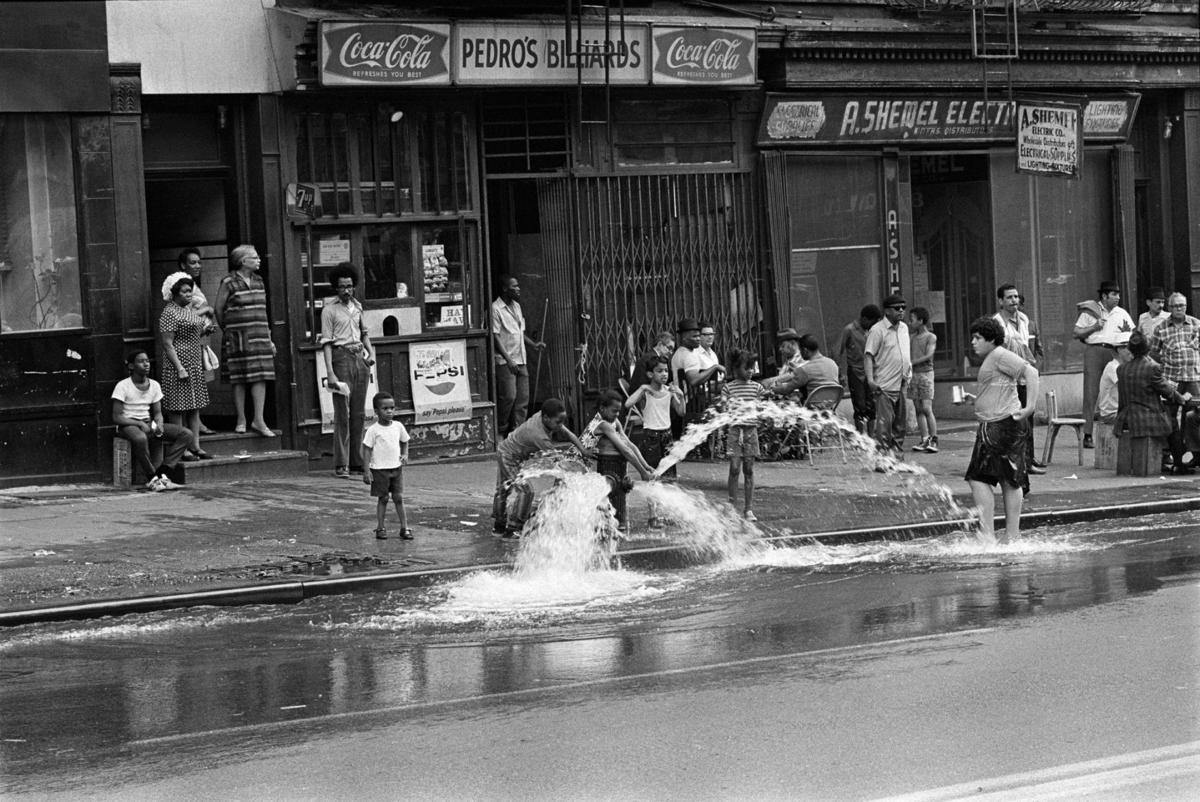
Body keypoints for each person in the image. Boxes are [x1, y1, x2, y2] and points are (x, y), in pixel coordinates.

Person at [959, 317, 1039, 546]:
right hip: (995, 423)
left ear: (991, 339)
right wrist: (974, 400)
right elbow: (1000, 389)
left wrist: (1030, 407)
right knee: (1004, 478)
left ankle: (996, 534)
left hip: (1002, 424)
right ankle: (1005, 534)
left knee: (983, 478)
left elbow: (1031, 373)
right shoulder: (994, 358)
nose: (973, 342)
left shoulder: (1000, 355)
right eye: (972, 337)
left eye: (978, 338)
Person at [492, 398, 588, 537]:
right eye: (558, 422)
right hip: (508, 456)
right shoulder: (539, 436)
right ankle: (513, 528)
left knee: (503, 489)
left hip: (508, 451)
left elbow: (568, 433)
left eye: (563, 421)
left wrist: (583, 451)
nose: (561, 425)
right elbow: (557, 461)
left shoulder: (545, 416)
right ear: (546, 418)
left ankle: (499, 526)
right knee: (525, 491)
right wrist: (575, 472)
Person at [321, 263, 376, 479]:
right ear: (336, 287)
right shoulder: (329, 310)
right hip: (341, 357)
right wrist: (331, 373)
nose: (347, 290)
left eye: (350, 286)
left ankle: (356, 462)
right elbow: (326, 343)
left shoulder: (358, 307)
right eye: (342, 286)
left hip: (359, 358)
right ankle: (341, 463)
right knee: (342, 413)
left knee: (359, 413)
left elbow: (364, 333)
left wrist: (371, 354)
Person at [215, 244, 276, 437]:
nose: (259, 260)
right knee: (238, 378)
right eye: (255, 257)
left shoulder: (259, 280)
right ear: (243, 261)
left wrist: (269, 338)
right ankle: (241, 419)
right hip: (237, 337)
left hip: (260, 335)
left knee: (261, 376)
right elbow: (218, 309)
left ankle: (258, 420)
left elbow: (263, 311)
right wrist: (229, 329)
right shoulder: (228, 282)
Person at [112, 350, 194, 492]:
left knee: (186, 434)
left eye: (147, 361)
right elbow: (116, 417)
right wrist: (138, 423)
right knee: (140, 438)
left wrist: (159, 424)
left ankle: (163, 474)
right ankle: (152, 479)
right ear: (131, 366)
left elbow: (157, 413)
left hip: (148, 423)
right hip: (128, 424)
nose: (146, 364)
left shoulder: (155, 385)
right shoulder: (123, 385)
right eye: (141, 361)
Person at [1116, 331, 1191, 474]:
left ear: (1130, 349)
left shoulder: (1121, 369)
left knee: (1168, 419)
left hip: (1125, 417)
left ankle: (1164, 459)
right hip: (1146, 418)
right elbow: (1168, 392)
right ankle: (1179, 464)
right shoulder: (1152, 368)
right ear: (1148, 349)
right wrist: (1183, 398)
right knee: (1173, 424)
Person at [157, 271, 213, 461]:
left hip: (194, 360)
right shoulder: (169, 312)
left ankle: (195, 445)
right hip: (178, 363)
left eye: (190, 291)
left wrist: (205, 330)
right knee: (178, 407)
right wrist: (179, 367)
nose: (189, 295)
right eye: (184, 292)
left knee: (194, 405)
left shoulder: (187, 310)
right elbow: (167, 343)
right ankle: (182, 448)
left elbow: (192, 333)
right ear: (175, 293)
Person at [625, 355, 686, 529]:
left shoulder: (669, 391)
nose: (664, 374)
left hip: (666, 436)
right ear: (650, 374)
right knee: (652, 477)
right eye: (659, 371)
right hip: (650, 436)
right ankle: (653, 516)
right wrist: (642, 387)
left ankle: (667, 513)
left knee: (669, 478)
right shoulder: (646, 393)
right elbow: (628, 404)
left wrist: (681, 397)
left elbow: (681, 412)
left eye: (666, 370)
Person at [581, 390, 654, 533]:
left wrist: (646, 466)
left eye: (619, 411)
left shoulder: (613, 422)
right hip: (579, 464)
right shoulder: (603, 424)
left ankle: (608, 526)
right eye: (614, 411)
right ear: (602, 408)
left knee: (608, 497)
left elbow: (629, 445)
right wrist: (642, 473)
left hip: (608, 465)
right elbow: (625, 451)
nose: (617, 414)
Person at [1074, 281, 1134, 448]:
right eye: (1114, 294)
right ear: (1104, 296)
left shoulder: (1121, 313)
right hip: (1094, 350)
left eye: (1119, 294)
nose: (1118, 298)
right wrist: (1094, 326)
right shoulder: (1090, 312)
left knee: (1119, 388)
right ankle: (1087, 433)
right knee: (1091, 391)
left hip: (1114, 351)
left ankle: (1118, 426)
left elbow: (1131, 332)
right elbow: (1076, 332)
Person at [993, 284, 1043, 472]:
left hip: (1025, 376)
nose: (1014, 301)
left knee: (1027, 420)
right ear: (1001, 301)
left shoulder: (1024, 319)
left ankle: (1028, 460)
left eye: (1015, 297)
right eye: (1009, 298)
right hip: (1007, 378)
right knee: (1011, 421)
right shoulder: (997, 323)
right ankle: (1014, 461)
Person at [1147, 293, 1200, 472]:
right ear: (1169, 308)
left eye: (1182, 305)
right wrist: (1166, 361)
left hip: (1192, 377)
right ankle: (1171, 454)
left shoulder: (1195, 324)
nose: (1179, 309)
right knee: (1169, 417)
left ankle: (1191, 456)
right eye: (1176, 306)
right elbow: (1153, 352)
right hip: (1171, 378)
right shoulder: (1161, 328)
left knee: (1193, 416)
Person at [491, 275, 545, 437]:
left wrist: (533, 344)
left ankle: (518, 433)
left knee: (522, 399)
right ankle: (500, 430)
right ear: (505, 289)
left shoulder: (517, 306)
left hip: (521, 359)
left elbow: (520, 333)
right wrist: (508, 360)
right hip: (506, 361)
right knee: (508, 396)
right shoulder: (496, 308)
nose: (518, 289)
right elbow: (495, 336)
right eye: (514, 286)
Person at [864, 294, 912, 453]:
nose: (901, 311)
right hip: (884, 384)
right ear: (887, 311)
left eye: (903, 308)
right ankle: (883, 457)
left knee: (900, 424)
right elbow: (868, 356)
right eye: (897, 308)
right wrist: (870, 380)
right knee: (884, 424)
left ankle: (896, 455)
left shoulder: (904, 328)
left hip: (902, 382)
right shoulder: (877, 330)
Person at [178, 247, 218, 436]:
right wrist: (207, 311)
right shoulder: (182, 287)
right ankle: (194, 425)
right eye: (192, 262)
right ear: (183, 265)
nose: (197, 266)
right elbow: (182, 314)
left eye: (199, 262)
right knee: (193, 382)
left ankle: (197, 423)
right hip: (189, 340)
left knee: (199, 381)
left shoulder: (193, 285)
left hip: (199, 337)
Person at [721, 348, 765, 521]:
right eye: (747, 368)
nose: (751, 371)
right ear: (736, 369)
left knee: (748, 469)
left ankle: (748, 509)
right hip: (734, 431)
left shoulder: (757, 388)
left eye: (752, 368)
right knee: (734, 468)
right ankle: (732, 506)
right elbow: (724, 408)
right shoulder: (728, 388)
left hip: (750, 432)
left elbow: (761, 408)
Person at [362, 391, 411, 540]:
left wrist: (405, 454)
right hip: (379, 470)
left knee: (398, 497)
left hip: (396, 468)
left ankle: (404, 528)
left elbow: (405, 441)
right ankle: (380, 527)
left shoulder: (398, 426)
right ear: (376, 411)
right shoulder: (373, 430)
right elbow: (367, 449)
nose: (390, 411)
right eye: (385, 409)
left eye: (392, 408)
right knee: (383, 498)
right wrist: (366, 470)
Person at [836, 305, 882, 433]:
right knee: (860, 406)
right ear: (864, 318)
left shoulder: (873, 331)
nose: (873, 325)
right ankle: (860, 437)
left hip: (871, 372)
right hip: (855, 372)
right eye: (872, 322)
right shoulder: (849, 330)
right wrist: (840, 373)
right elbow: (837, 351)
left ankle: (871, 438)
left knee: (872, 405)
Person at [766, 334, 838, 400]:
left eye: (800, 350)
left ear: (805, 351)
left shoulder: (804, 370)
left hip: (811, 407)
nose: (800, 353)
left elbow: (786, 389)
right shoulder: (832, 363)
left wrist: (771, 389)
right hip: (830, 404)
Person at [908, 307, 939, 453]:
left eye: (912, 319)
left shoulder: (930, 337)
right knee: (918, 408)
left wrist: (911, 363)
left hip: (926, 374)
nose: (910, 322)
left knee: (927, 408)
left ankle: (934, 439)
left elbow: (929, 355)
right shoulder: (911, 337)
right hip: (914, 375)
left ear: (921, 321)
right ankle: (924, 438)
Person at [1097, 333, 1132, 426]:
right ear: (1119, 350)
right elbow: (1130, 387)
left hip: (1122, 412)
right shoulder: (1113, 367)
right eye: (1128, 348)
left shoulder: (1125, 366)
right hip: (1111, 414)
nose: (1132, 352)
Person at [761, 328, 805, 393]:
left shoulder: (802, 358)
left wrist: (770, 381)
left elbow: (793, 375)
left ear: (792, 344)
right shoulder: (788, 360)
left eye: (782, 346)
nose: (780, 349)